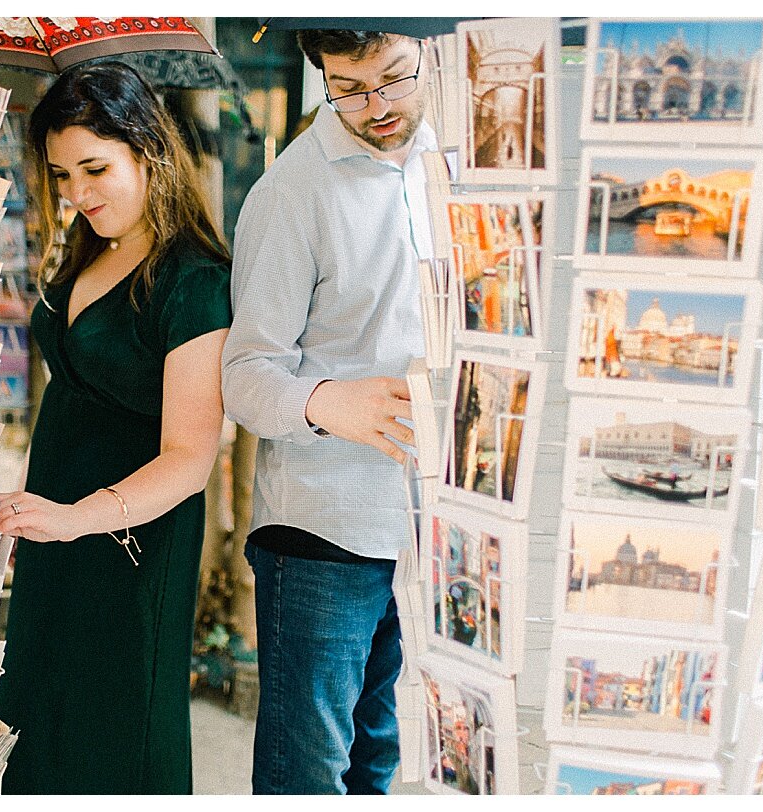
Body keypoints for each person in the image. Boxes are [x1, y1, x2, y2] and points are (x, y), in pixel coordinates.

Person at [0, 62, 231, 794]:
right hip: (55, 529)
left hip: (126, 542)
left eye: (95, 168)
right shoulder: (92, 244)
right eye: (62, 174)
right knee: (38, 720)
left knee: (111, 737)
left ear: (148, 151)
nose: (76, 193)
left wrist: (75, 519)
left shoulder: (194, 280)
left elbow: (191, 457)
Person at [221, 29, 437, 794]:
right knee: (306, 775)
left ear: (428, 59)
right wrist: (324, 401)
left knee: (380, 760)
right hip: (321, 530)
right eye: (348, 86)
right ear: (321, 75)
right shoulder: (289, 194)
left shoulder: (453, 170)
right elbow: (245, 376)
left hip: (426, 525)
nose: (376, 106)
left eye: (394, 79)